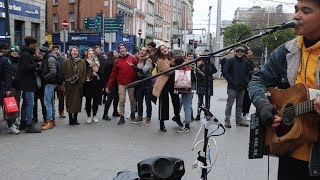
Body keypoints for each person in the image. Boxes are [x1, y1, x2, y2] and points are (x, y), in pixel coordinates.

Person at [248, 0, 320, 179]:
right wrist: (263, 104)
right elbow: (256, 81)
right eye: (296, 9)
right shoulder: (287, 50)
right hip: (288, 150)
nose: (296, 15)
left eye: (306, 10)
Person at [152, 45, 182, 132]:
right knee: (163, 104)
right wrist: (176, 66)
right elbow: (168, 72)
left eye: (165, 48)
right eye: (162, 49)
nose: (164, 50)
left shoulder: (170, 57)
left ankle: (177, 117)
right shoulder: (160, 60)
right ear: (160, 52)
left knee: (176, 101)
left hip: (173, 83)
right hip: (164, 84)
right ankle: (162, 123)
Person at [106, 44, 137, 125]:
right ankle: (121, 117)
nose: (122, 49)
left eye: (123, 48)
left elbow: (137, 69)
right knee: (121, 101)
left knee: (132, 100)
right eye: (120, 48)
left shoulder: (132, 58)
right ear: (119, 50)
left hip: (131, 83)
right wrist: (108, 85)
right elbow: (113, 74)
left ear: (126, 49)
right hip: (121, 84)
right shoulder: (117, 61)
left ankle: (133, 114)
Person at [16, 36, 42, 133]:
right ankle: (29, 125)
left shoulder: (26, 53)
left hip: (26, 82)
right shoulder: (26, 54)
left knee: (26, 103)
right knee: (30, 103)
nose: (36, 46)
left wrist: (35, 60)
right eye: (35, 44)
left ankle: (23, 123)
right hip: (28, 83)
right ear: (30, 44)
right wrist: (37, 64)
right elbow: (25, 67)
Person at [223, 46, 250, 128]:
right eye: (238, 51)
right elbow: (225, 72)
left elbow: (248, 73)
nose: (240, 53)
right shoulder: (230, 61)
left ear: (244, 53)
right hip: (232, 87)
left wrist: (246, 82)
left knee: (240, 105)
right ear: (235, 52)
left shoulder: (246, 62)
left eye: (241, 51)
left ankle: (239, 120)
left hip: (242, 87)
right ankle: (227, 120)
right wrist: (231, 81)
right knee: (229, 104)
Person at [129, 47, 153, 125]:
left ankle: (148, 118)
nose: (142, 51)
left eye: (144, 50)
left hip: (147, 83)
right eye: (141, 50)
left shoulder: (148, 60)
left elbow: (144, 71)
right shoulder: (139, 59)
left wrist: (133, 67)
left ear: (146, 52)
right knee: (139, 101)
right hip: (140, 83)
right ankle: (140, 116)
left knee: (148, 102)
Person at [63, 46, 86, 125]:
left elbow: (84, 72)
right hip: (69, 85)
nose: (75, 52)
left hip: (78, 85)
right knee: (69, 102)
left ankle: (75, 119)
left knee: (77, 102)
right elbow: (63, 72)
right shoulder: (66, 61)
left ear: (78, 52)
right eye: (73, 50)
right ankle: (70, 119)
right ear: (70, 52)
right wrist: (67, 80)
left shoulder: (82, 61)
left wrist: (82, 81)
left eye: (76, 51)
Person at [39, 43, 58, 130]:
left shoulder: (50, 58)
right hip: (51, 83)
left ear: (44, 51)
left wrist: (44, 78)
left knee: (47, 102)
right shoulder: (49, 57)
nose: (40, 53)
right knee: (50, 102)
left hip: (50, 83)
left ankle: (49, 121)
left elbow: (53, 72)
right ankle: (52, 120)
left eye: (41, 51)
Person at [84, 50, 102, 124]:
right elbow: (83, 72)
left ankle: (94, 115)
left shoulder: (97, 61)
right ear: (87, 55)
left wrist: (96, 72)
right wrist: (90, 67)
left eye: (92, 54)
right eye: (89, 53)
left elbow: (101, 72)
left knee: (95, 101)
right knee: (88, 100)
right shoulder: (84, 62)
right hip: (88, 83)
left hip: (96, 83)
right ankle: (89, 116)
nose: (91, 55)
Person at [102, 50, 120, 120]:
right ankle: (105, 114)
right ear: (112, 55)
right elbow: (106, 74)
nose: (117, 53)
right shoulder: (111, 62)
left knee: (116, 98)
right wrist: (106, 84)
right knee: (110, 99)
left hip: (114, 83)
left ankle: (115, 111)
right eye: (115, 53)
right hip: (110, 83)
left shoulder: (114, 61)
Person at [52, 45, 66, 118]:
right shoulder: (50, 58)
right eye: (54, 50)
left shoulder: (62, 59)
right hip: (52, 82)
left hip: (60, 82)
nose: (56, 51)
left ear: (59, 51)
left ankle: (61, 112)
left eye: (57, 49)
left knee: (61, 98)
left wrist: (64, 80)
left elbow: (65, 71)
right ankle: (52, 112)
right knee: (52, 99)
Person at [242, 46, 255, 121]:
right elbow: (246, 72)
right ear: (246, 55)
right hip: (246, 83)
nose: (251, 53)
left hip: (249, 82)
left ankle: (244, 113)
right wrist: (253, 72)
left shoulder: (250, 61)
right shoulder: (246, 62)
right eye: (249, 52)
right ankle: (244, 114)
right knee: (246, 99)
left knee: (247, 99)